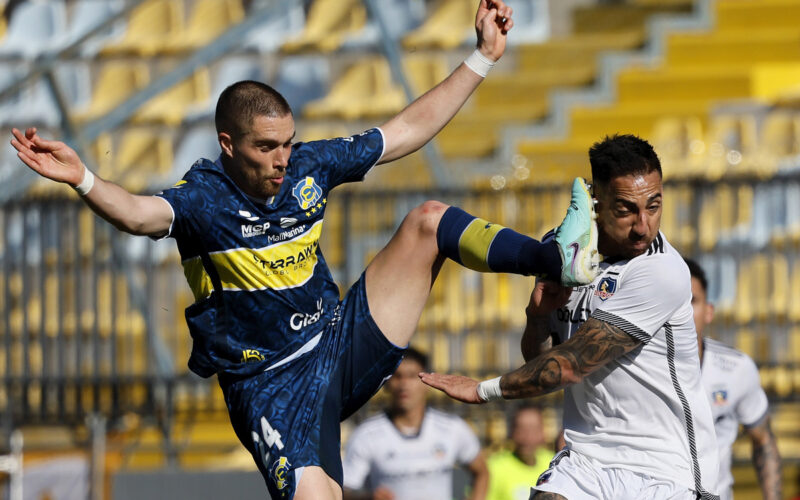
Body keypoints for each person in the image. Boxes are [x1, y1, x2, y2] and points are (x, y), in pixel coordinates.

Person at [9, 2, 603, 499]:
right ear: (229, 144)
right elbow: (139, 215)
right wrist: (84, 178)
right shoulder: (201, 201)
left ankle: (555, 258)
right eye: (267, 147)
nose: (282, 159)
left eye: (288, 144)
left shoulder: (307, 167)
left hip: (339, 340)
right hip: (269, 384)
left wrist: (482, 59)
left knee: (428, 222)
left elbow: (404, 132)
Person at [420, 134, 721, 500]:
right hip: (588, 458)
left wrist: (483, 390)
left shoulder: (661, 272)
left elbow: (570, 366)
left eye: (654, 206)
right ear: (597, 201)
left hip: (665, 468)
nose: (643, 225)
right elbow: (540, 359)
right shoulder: (566, 254)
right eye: (626, 209)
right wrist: (537, 316)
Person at [685, 258, 782, 500]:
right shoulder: (635, 369)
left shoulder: (736, 369)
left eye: (692, 301)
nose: (683, 310)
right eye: (675, 302)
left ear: (709, 312)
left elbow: (763, 440)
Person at [342, 347, 488, 500]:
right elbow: (344, 491)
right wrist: (369, 497)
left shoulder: (451, 428)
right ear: (386, 383)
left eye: (412, 376)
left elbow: (482, 472)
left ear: (427, 383)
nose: (404, 384)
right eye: (397, 376)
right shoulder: (367, 435)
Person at [486, 403, 553, 500]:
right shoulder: (493, 468)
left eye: (533, 429)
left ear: (543, 432)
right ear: (511, 432)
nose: (527, 437)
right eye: (521, 429)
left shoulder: (554, 465)